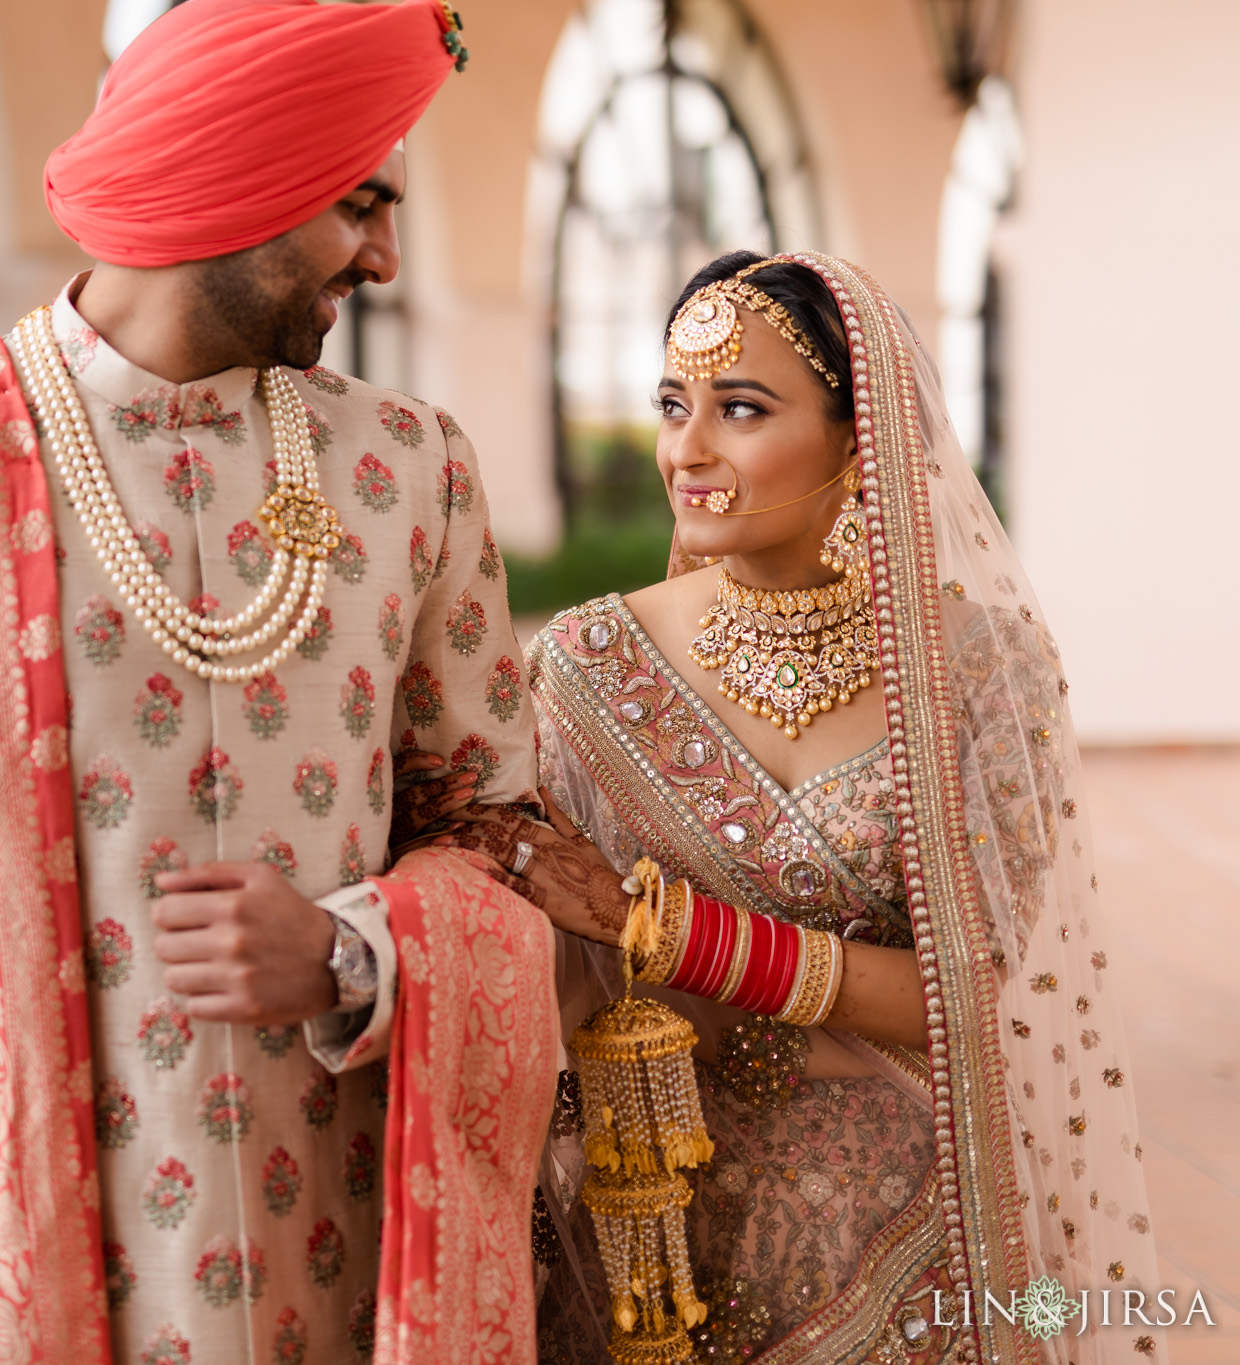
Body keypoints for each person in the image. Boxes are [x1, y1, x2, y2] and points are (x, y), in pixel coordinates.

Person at [0, 3, 563, 1362]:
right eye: (360, 203)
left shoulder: (410, 464)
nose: (385, 254)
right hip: (27, 1257)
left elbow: (498, 828)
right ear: (240, 171)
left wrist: (357, 947)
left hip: (347, 1242)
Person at [402, 251, 1168, 1363]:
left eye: (741, 409)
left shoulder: (974, 674)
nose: (686, 451)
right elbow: (529, 941)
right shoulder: (584, 665)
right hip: (655, 1226)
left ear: (861, 438)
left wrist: (653, 928)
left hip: (912, 1230)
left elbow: (964, 1002)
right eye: (672, 405)